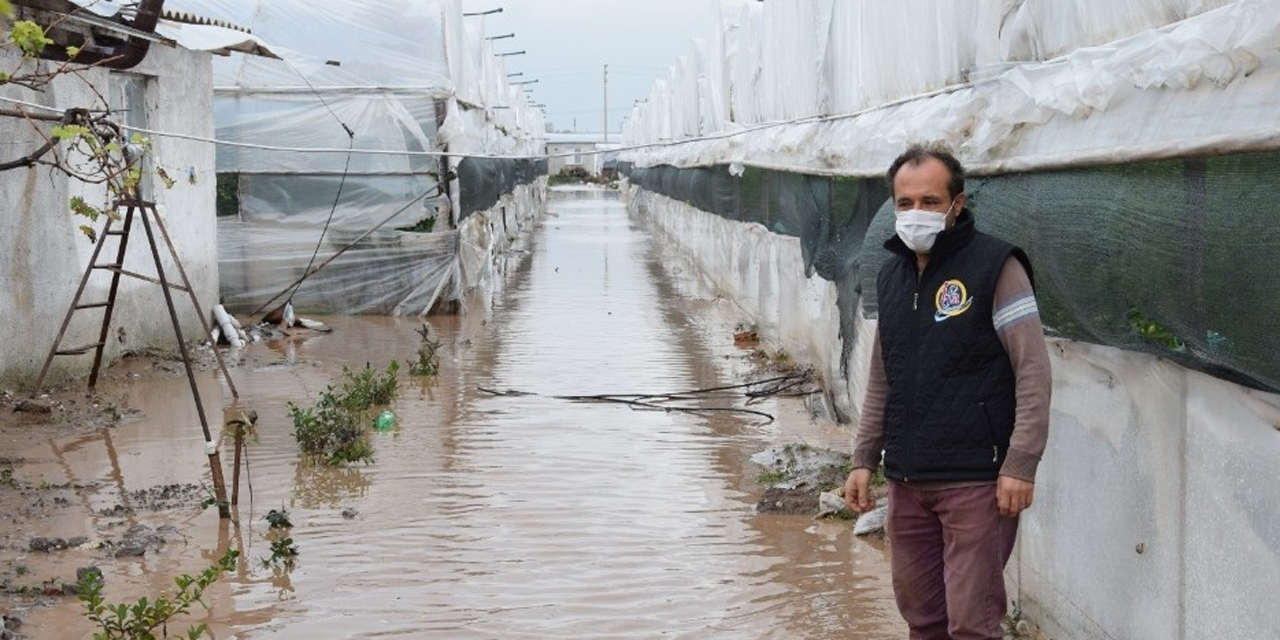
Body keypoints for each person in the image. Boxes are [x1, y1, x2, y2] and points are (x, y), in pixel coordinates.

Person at [844, 145, 1052, 640]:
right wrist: (863, 457)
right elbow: (883, 374)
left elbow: (1034, 372)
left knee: (972, 623)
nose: (916, 213)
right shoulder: (891, 275)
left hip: (976, 481)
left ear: (957, 204)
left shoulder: (996, 266)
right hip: (907, 480)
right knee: (922, 617)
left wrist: (1021, 463)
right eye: (905, 202)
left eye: (930, 201)